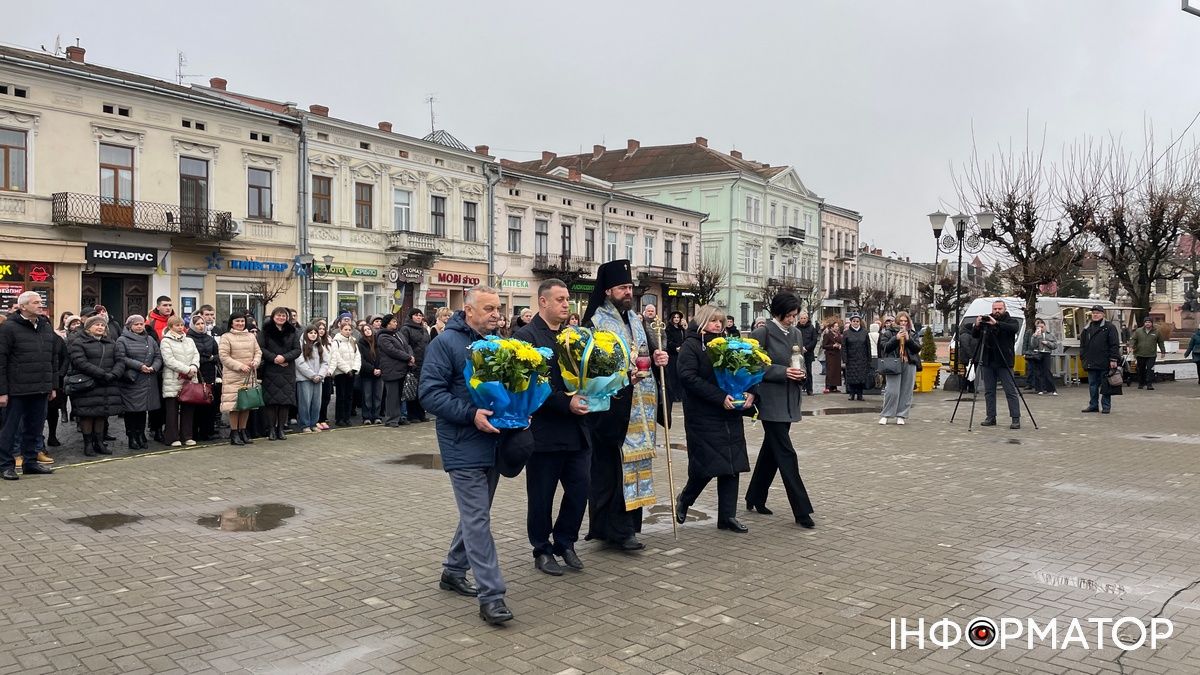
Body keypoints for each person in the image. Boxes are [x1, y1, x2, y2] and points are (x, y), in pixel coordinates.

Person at [419, 285, 513, 625]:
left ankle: (453, 571)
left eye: (498, 308)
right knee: (478, 519)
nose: (496, 314)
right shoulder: (446, 343)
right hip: (462, 442)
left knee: (477, 514)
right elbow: (429, 394)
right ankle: (492, 596)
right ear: (468, 311)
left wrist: (518, 408)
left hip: (494, 441)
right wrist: (470, 413)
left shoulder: (498, 344)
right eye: (488, 309)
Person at [581, 260, 668, 551]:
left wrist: (658, 358)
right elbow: (587, 366)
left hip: (640, 405)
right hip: (612, 407)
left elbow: (649, 350)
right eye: (622, 288)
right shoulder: (594, 322)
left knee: (635, 466)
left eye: (630, 287)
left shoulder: (636, 319)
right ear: (607, 291)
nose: (628, 292)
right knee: (610, 471)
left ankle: (628, 526)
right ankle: (613, 529)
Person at [515, 279, 591, 576]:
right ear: (543, 302)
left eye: (567, 299)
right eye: (559, 299)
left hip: (578, 430)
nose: (566, 304)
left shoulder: (574, 336)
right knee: (542, 495)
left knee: (580, 489)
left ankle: (565, 541)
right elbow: (531, 385)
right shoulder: (526, 336)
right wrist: (565, 403)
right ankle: (542, 549)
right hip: (546, 432)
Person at [675, 305, 755, 533]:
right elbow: (687, 377)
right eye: (713, 321)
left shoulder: (728, 343)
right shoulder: (691, 345)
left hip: (730, 412)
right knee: (707, 465)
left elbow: (745, 370)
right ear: (702, 322)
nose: (718, 325)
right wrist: (719, 397)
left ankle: (727, 516)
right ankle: (685, 499)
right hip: (703, 414)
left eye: (720, 321)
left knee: (732, 464)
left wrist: (751, 391)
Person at [744, 292, 815, 527]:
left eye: (795, 316)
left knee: (771, 451)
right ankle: (802, 510)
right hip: (770, 401)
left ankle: (755, 496)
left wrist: (801, 374)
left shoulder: (796, 333)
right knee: (786, 453)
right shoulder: (762, 332)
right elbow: (753, 365)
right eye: (789, 315)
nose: (793, 320)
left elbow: (799, 361)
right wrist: (781, 372)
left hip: (790, 399)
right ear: (778, 312)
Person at [0, 291, 59, 479]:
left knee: (35, 428)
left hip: (40, 387)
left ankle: (30, 462)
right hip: (16, 389)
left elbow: (52, 358)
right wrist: (2, 391)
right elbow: (1, 360)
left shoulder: (45, 326)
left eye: (40, 302)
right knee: (10, 430)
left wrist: (52, 385)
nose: (40, 305)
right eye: (35, 302)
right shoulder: (9, 328)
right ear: (23, 306)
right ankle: (5, 465)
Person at [68, 315, 124, 456]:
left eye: (102, 325)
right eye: (96, 325)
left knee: (101, 414)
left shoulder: (111, 342)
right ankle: (88, 445)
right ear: (88, 328)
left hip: (107, 384)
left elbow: (120, 360)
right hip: (88, 384)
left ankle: (99, 443)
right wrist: (102, 374)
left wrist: (113, 374)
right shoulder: (78, 342)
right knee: (87, 415)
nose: (100, 327)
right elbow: (80, 362)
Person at [971, 300, 1021, 429]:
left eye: (999, 308)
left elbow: (1013, 329)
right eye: (995, 309)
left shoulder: (1011, 321)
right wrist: (977, 325)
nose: (997, 311)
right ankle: (991, 417)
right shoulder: (986, 321)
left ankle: (1015, 418)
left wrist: (996, 323)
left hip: (1004, 361)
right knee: (989, 391)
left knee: (1010, 391)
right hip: (988, 361)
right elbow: (975, 336)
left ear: (1004, 309)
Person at [116, 315, 161, 450]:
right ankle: (132, 437)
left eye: (141, 324)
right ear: (129, 326)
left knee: (143, 410)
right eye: (136, 324)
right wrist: (139, 366)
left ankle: (141, 435)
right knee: (131, 410)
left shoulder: (150, 339)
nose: (140, 326)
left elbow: (158, 355)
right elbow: (121, 357)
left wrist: (154, 367)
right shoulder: (122, 340)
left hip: (148, 379)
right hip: (133, 380)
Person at [218, 313, 261, 445]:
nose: (240, 323)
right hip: (233, 376)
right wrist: (240, 366)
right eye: (237, 321)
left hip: (248, 375)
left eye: (242, 321)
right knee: (234, 406)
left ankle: (243, 431)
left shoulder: (251, 336)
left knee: (246, 405)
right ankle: (234, 433)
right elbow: (224, 356)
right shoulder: (226, 337)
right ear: (232, 323)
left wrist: (255, 362)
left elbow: (258, 352)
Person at [258, 307, 300, 440]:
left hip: (287, 369)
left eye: (283, 316)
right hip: (271, 369)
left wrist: (284, 357)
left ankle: (281, 429)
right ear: (273, 316)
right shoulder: (265, 331)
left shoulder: (292, 331)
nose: (281, 318)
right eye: (278, 315)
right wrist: (275, 358)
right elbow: (261, 348)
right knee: (271, 401)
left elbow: (297, 350)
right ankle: (271, 429)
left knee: (284, 402)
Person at [160, 316, 201, 447]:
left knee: (188, 408)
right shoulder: (165, 341)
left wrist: (194, 367)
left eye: (182, 325)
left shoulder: (189, 340)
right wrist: (186, 369)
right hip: (173, 379)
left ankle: (187, 436)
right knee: (172, 410)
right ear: (170, 327)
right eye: (177, 325)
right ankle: (172, 437)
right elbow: (169, 360)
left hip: (189, 379)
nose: (180, 327)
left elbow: (196, 355)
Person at [879, 311, 921, 425]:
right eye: (901, 321)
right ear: (897, 321)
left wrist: (908, 339)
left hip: (909, 363)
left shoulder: (912, 333)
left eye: (905, 321)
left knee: (906, 391)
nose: (903, 323)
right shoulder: (889, 333)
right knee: (892, 390)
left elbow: (917, 349)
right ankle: (886, 414)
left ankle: (901, 415)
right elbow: (885, 347)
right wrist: (896, 338)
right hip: (893, 363)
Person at [1080, 305, 1121, 414]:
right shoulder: (1087, 328)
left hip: (1105, 362)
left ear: (1103, 314)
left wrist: (1113, 359)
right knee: (1092, 386)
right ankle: (1093, 405)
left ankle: (1106, 406)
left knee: (1106, 386)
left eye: (1098, 313)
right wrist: (1083, 357)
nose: (1095, 315)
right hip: (1091, 362)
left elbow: (1114, 344)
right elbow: (1082, 345)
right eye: (1093, 313)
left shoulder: (1109, 327)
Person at [188, 314, 220, 441]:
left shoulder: (209, 338)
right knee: (197, 403)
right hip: (196, 374)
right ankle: (194, 432)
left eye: (202, 324)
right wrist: (208, 358)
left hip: (210, 374)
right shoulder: (189, 338)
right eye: (198, 324)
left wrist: (212, 358)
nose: (201, 326)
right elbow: (192, 356)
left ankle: (208, 431)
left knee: (209, 403)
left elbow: (217, 354)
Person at [295, 324, 332, 434]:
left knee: (316, 402)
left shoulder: (319, 346)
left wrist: (320, 375)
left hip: (319, 379)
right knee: (305, 403)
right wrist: (312, 375)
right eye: (310, 333)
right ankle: (305, 424)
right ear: (306, 334)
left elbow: (326, 362)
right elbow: (300, 363)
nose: (313, 335)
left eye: (315, 333)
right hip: (304, 379)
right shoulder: (301, 346)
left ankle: (313, 423)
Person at [377, 313, 413, 427]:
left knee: (399, 396)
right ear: (387, 324)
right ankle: (391, 419)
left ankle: (399, 417)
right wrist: (407, 357)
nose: (396, 323)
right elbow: (392, 350)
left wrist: (411, 356)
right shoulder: (383, 337)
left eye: (396, 322)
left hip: (401, 368)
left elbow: (407, 346)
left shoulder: (398, 334)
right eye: (393, 322)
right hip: (391, 369)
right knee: (392, 396)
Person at [400, 309, 430, 423]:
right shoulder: (406, 329)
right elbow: (405, 345)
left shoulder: (424, 329)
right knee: (412, 388)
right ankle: (412, 415)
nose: (418, 317)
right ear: (411, 317)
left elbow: (428, 343)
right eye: (416, 315)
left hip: (425, 361)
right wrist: (410, 358)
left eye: (420, 315)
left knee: (422, 389)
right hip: (413, 362)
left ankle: (421, 413)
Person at [331, 323, 361, 427]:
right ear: (341, 330)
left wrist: (354, 369)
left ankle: (347, 418)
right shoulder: (336, 342)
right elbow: (336, 358)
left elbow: (357, 355)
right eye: (345, 329)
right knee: (341, 396)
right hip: (341, 373)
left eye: (349, 329)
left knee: (349, 396)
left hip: (351, 373)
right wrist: (347, 369)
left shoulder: (353, 341)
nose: (348, 331)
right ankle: (339, 418)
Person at [1129, 317, 1167, 391]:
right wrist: (1131, 346)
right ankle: (1141, 383)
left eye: (1149, 322)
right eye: (1146, 322)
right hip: (1140, 353)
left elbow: (1160, 342)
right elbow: (1133, 339)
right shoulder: (1138, 331)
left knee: (1150, 369)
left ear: (1152, 323)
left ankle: (1149, 384)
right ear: (1144, 323)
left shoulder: (1156, 332)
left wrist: (1163, 351)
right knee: (1141, 369)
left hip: (1151, 354)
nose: (1147, 323)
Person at [841, 314, 871, 401]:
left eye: (857, 321)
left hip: (862, 359)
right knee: (851, 377)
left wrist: (869, 359)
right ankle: (851, 393)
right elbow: (844, 347)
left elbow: (868, 346)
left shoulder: (865, 332)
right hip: (851, 359)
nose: (855, 323)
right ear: (851, 322)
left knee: (861, 377)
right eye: (854, 321)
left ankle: (860, 394)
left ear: (860, 322)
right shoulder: (846, 333)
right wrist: (845, 358)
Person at [358, 325, 384, 424]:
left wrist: (380, 368)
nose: (367, 331)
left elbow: (382, 357)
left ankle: (376, 416)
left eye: (369, 329)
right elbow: (361, 360)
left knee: (378, 396)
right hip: (367, 374)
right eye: (365, 330)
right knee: (367, 396)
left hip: (379, 373)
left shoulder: (378, 342)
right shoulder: (361, 343)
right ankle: (366, 417)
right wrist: (372, 369)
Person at [1025, 319, 1059, 395]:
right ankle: (1039, 389)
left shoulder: (1050, 335)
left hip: (1046, 353)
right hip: (1038, 353)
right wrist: (1034, 337)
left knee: (1047, 371)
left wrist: (1047, 343)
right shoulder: (1036, 335)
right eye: (1039, 327)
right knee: (1038, 371)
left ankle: (1052, 389)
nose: (1041, 328)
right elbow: (1033, 345)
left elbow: (1055, 345)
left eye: (1042, 327)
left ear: (1045, 326)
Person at [795, 311, 818, 396]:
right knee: (798, 371)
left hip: (808, 353)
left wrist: (806, 348)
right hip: (798, 354)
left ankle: (810, 389)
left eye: (804, 318)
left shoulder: (811, 328)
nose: (803, 320)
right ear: (799, 319)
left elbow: (814, 340)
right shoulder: (796, 328)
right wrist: (799, 348)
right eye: (801, 318)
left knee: (808, 371)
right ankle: (799, 388)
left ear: (807, 319)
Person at [665, 311, 686, 402]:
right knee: (673, 375)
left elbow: (685, 339)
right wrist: (675, 347)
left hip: (681, 354)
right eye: (675, 317)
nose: (676, 319)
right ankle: (673, 395)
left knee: (680, 375)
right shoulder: (668, 329)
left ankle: (680, 395)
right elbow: (668, 341)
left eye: (678, 317)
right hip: (673, 354)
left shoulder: (681, 329)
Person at [821, 318, 843, 393]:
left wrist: (840, 345)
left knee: (836, 371)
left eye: (837, 326)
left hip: (837, 355)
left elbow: (841, 342)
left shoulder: (839, 334)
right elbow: (824, 345)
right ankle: (828, 386)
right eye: (835, 326)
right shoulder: (827, 335)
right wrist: (832, 346)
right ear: (831, 327)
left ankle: (834, 386)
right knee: (830, 371)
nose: (837, 328)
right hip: (830, 355)